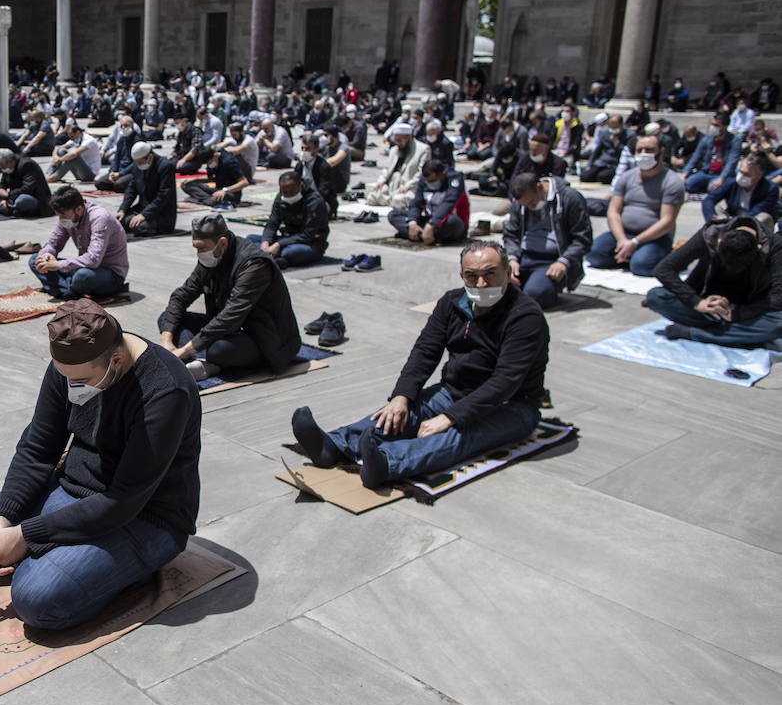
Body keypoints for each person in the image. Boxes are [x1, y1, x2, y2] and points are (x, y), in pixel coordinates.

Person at [0, 299, 200, 630]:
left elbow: (123, 501)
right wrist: (6, 521)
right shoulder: (73, 362)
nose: (72, 387)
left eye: (80, 380)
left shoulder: (165, 390)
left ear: (115, 362)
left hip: (145, 517)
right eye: (66, 378)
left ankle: (122, 569)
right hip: (73, 491)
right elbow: (37, 447)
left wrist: (27, 536)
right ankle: (56, 555)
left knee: (37, 600)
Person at [291, 241, 548, 488]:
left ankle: (387, 464)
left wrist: (450, 417)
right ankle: (334, 446)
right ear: (462, 275)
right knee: (398, 415)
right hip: (454, 391)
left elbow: (505, 381)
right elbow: (426, 350)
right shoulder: (452, 302)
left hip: (512, 405)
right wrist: (401, 396)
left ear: (509, 271)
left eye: (490, 274)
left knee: (459, 436)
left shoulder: (525, 316)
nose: (481, 284)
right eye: (472, 276)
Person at [158, 214, 301, 381]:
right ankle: (203, 361)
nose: (199, 253)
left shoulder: (254, 265)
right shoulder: (211, 258)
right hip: (228, 330)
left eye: (202, 248)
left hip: (265, 337)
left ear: (223, 243)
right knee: (167, 320)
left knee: (219, 350)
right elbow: (181, 297)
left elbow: (231, 316)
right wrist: (166, 342)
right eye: (196, 248)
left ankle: (203, 359)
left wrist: (185, 350)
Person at [644, 216, 782, 347]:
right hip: (708, 307)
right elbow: (663, 269)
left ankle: (696, 333)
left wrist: (738, 314)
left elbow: (778, 296)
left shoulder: (775, 246)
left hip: (747, 310)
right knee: (656, 296)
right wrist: (697, 302)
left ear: (758, 248)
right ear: (720, 241)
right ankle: (736, 334)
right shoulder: (710, 235)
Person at [587, 133, 685, 276]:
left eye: (649, 150)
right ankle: (627, 255)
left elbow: (667, 221)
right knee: (594, 254)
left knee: (642, 266)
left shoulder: (672, 181)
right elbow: (613, 211)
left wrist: (635, 242)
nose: (643, 154)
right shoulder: (626, 177)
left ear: (661, 151)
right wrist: (622, 240)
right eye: (639, 150)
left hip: (656, 238)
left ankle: (662, 257)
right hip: (623, 233)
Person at [504, 172, 594, 309]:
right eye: (525, 205)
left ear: (540, 186)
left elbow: (583, 238)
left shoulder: (569, 198)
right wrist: (512, 258)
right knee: (493, 287)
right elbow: (511, 233)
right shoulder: (521, 203)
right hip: (524, 256)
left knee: (535, 295)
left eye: (532, 203)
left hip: (552, 261)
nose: (530, 207)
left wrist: (564, 261)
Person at [30, 185, 129, 299]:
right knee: (35, 261)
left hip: (109, 273)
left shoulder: (100, 218)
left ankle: (62, 287)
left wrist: (58, 265)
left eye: (63, 215)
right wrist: (47, 254)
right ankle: (69, 290)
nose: (61, 219)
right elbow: (54, 242)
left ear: (79, 209)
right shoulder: (67, 218)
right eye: (59, 215)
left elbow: (93, 259)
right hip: (84, 267)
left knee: (82, 276)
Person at [248, 170, 329, 267]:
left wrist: (278, 244)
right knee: (250, 240)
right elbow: (272, 223)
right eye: (285, 192)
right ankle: (272, 257)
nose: (288, 194)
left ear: (300, 186)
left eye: (292, 191)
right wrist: (265, 242)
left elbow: (307, 234)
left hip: (309, 243)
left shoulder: (314, 201)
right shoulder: (281, 197)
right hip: (286, 238)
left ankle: (269, 257)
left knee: (290, 252)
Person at [390, 160, 469, 245]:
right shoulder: (424, 180)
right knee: (394, 214)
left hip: (445, 222)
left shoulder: (455, 180)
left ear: (443, 173)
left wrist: (432, 223)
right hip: (429, 220)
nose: (430, 184)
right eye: (427, 181)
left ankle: (421, 234)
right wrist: (412, 222)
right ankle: (423, 234)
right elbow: (417, 202)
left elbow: (449, 203)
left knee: (453, 221)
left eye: (433, 181)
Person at [117, 141, 177, 237]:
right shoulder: (137, 166)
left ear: (150, 157)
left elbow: (163, 196)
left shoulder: (166, 166)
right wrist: (122, 209)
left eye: (140, 162)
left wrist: (144, 215)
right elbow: (131, 190)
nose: (138, 165)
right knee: (118, 221)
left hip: (160, 214)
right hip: (141, 208)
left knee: (139, 227)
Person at [365, 123, 431, 209]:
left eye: (400, 140)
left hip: (409, 187)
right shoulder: (394, 150)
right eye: (396, 140)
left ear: (408, 137)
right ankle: (389, 199)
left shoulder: (423, 149)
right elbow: (386, 169)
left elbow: (421, 173)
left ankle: (390, 200)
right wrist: (381, 181)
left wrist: (407, 186)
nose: (397, 143)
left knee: (398, 201)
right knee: (371, 197)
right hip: (392, 185)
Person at [703, 155, 778, 223]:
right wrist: (713, 218)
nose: (741, 176)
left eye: (746, 174)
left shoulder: (770, 189)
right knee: (717, 208)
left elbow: (757, 211)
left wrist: (729, 220)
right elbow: (709, 199)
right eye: (740, 172)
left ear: (758, 176)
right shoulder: (732, 183)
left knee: (763, 217)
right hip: (732, 219)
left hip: (753, 223)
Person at [682, 115, 742, 194]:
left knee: (713, 188)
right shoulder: (706, 139)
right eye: (712, 124)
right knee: (688, 184)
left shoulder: (735, 141)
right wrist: (685, 173)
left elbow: (731, 163)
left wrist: (722, 179)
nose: (713, 127)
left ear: (725, 126)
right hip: (706, 172)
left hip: (721, 174)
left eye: (716, 125)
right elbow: (695, 157)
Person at [0, 148, 52, 217]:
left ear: (9, 161)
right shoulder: (8, 168)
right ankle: (9, 208)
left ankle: (8, 209)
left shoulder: (27, 165)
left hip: (34, 198)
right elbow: (2, 183)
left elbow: (28, 189)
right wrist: (2, 198)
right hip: (13, 197)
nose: (2, 169)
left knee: (22, 200)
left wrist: (8, 195)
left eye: (3, 166)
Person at [180, 146, 248, 209]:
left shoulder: (229, 161)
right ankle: (204, 199)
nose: (209, 165)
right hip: (217, 190)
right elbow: (211, 178)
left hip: (230, 193)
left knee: (213, 200)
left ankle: (202, 199)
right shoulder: (211, 162)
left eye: (209, 162)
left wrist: (225, 190)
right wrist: (194, 179)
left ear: (215, 155)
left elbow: (244, 182)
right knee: (186, 184)